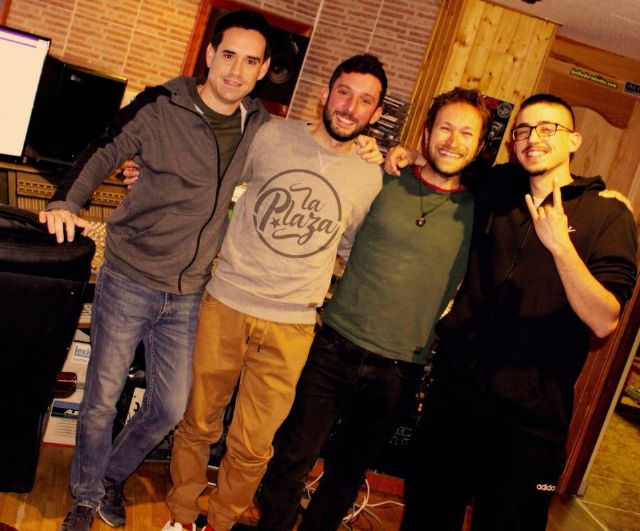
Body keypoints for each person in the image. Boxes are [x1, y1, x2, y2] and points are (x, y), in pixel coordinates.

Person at [39, 10, 274, 531]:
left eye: (250, 61)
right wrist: (65, 201)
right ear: (209, 55)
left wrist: (384, 153)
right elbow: (105, 148)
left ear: (263, 70)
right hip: (130, 277)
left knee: (169, 407)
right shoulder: (162, 104)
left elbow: (310, 152)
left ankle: (109, 476)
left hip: (189, 292)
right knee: (102, 399)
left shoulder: (260, 128)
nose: (235, 70)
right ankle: (84, 497)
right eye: (228, 55)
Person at [162, 54, 388, 531]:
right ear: (325, 93)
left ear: (376, 113)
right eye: (344, 92)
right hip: (227, 301)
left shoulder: (371, 176)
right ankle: (181, 515)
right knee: (198, 421)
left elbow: (347, 245)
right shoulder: (271, 135)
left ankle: (220, 521)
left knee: (252, 444)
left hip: (292, 325)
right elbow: (216, 180)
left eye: (365, 101)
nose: (350, 108)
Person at [256, 87, 492, 531]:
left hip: (400, 368)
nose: (452, 141)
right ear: (426, 133)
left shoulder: (480, 212)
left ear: (479, 147)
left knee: (345, 476)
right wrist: (387, 153)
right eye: (445, 128)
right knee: (291, 456)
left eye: (466, 133)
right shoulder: (382, 178)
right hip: (333, 345)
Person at [400, 94, 638, 531]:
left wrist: (561, 247)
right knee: (426, 518)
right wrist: (405, 155)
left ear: (574, 141)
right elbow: (446, 163)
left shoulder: (607, 214)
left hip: (530, 424)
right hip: (455, 401)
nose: (533, 138)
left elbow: (605, 319)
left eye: (549, 129)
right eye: (524, 130)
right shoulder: (498, 187)